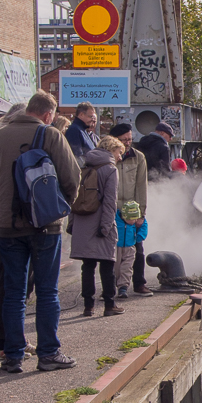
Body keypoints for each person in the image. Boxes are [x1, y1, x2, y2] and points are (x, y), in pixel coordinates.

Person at [0, 90, 80, 373]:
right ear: (47, 114)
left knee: (14, 293)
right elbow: (71, 176)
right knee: (46, 291)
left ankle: (13, 355)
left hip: (7, 226)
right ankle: (49, 353)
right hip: (44, 225)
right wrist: (60, 207)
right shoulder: (51, 135)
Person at [0, 103, 34, 361]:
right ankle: (3, 343)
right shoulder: (1, 146)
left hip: (5, 221)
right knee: (10, 285)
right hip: (3, 224)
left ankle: (12, 339)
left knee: (15, 285)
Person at [69, 135, 124, 317]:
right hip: (101, 221)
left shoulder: (84, 165)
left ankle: (88, 306)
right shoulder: (110, 169)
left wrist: (71, 223)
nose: (120, 157)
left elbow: (73, 195)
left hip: (82, 221)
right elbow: (110, 202)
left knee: (88, 266)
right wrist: (106, 227)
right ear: (112, 150)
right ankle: (109, 304)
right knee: (107, 265)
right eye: (119, 152)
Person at [110, 123, 153, 297]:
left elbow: (141, 186)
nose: (128, 143)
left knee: (137, 248)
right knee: (112, 250)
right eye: (123, 140)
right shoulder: (108, 156)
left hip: (130, 209)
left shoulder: (138, 157)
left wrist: (141, 214)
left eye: (129, 139)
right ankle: (113, 285)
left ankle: (139, 283)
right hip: (112, 208)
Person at [65, 101, 98, 165]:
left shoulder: (82, 130)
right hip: (84, 172)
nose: (92, 119)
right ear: (81, 115)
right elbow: (77, 157)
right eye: (90, 116)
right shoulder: (74, 130)